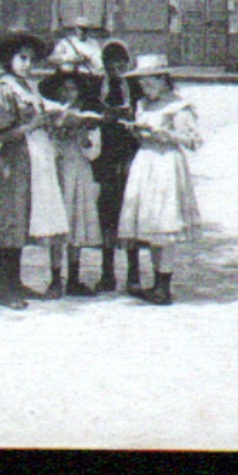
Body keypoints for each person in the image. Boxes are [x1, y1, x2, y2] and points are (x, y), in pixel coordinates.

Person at [0, 32, 67, 309]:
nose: (27, 64)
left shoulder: (27, 86)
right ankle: (3, 289)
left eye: (31, 59)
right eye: (22, 58)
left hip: (34, 159)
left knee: (23, 220)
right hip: (14, 161)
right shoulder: (4, 88)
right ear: (9, 59)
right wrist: (33, 125)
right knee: (10, 220)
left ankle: (15, 283)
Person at [116, 54, 203, 305]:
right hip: (145, 162)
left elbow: (193, 141)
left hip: (166, 164)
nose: (146, 85)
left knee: (165, 224)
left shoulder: (178, 106)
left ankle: (163, 286)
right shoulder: (143, 105)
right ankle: (155, 282)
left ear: (164, 79)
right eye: (142, 81)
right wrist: (137, 132)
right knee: (151, 224)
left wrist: (167, 134)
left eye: (151, 79)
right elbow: (142, 137)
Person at [37, 68, 105, 297]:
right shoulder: (51, 114)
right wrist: (56, 131)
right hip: (57, 171)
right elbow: (44, 146)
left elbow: (94, 153)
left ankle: (74, 278)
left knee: (76, 221)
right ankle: (55, 278)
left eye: (72, 88)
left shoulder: (87, 116)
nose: (68, 92)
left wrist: (84, 136)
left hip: (78, 171)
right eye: (63, 88)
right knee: (57, 223)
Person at [93, 38, 143, 293]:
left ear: (126, 63)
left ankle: (134, 274)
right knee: (108, 219)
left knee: (130, 217)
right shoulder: (97, 87)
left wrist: (130, 116)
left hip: (130, 158)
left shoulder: (134, 87)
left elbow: (144, 117)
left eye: (118, 63)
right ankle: (107, 273)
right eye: (108, 63)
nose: (114, 68)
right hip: (105, 160)